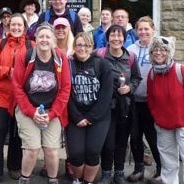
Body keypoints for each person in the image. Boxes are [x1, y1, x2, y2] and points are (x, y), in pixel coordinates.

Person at [12, 23, 71, 184]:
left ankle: (53, 180)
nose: (44, 40)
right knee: (32, 149)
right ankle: (24, 179)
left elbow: (66, 88)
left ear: (53, 40)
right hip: (28, 109)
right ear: (35, 39)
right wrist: (32, 112)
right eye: (41, 36)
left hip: (53, 110)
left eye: (48, 36)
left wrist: (51, 114)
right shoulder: (25, 56)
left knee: (52, 151)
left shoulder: (60, 58)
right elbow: (17, 86)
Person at [0, 13, 33, 184]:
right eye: (13, 25)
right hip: (1, 96)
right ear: (8, 26)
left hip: (21, 98)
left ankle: (14, 166)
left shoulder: (31, 45)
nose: (16, 28)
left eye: (19, 25)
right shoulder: (0, 44)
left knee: (17, 134)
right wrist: (7, 71)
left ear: (25, 27)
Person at [147, 36, 184, 184]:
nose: (158, 53)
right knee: (168, 162)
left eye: (163, 49)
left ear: (169, 52)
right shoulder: (152, 74)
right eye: (155, 50)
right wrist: (156, 116)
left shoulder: (181, 70)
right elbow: (151, 99)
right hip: (163, 125)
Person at [96, 25, 141, 184]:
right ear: (107, 38)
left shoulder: (131, 57)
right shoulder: (99, 55)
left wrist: (130, 88)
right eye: (113, 36)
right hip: (105, 107)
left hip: (125, 106)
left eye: (119, 36)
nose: (116, 39)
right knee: (107, 142)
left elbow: (136, 78)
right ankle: (106, 172)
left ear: (124, 38)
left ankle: (119, 173)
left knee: (122, 141)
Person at [67, 32, 114, 184]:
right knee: (75, 153)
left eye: (86, 45)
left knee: (93, 151)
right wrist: (78, 117)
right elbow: (65, 93)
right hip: (76, 115)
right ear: (74, 46)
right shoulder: (68, 64)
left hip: (99, 116)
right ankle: (78, 178)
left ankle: (88, 181)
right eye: (79, 45)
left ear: (91, 47)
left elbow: (106, 94)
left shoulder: (102, 64)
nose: (82, 48)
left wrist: (90, 117)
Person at [127, 16, 162, 183]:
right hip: (134, 100)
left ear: (153, 29)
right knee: (135, 137)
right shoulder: (131, 49)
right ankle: (138, 169)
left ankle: (161, 170)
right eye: (140, 29)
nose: (143, 32)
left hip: (153, 102)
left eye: (146, 29)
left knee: (153, 137)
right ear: (136, 31)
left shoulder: (159, 47)